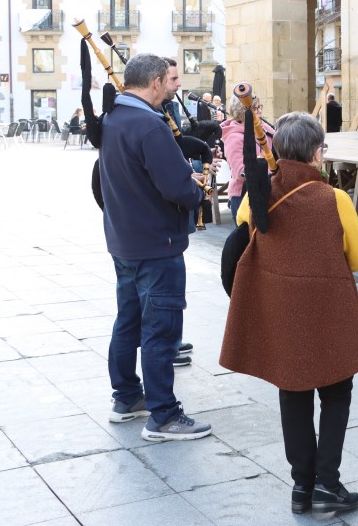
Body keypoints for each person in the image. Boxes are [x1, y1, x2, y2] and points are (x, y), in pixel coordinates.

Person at [220, 113, 358, 516]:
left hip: (283, 312)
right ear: (316, 152)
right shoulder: (334, 199)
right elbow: (356, 258)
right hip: (328, 310)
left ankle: (302, 487)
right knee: (337, 392)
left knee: (293, 391)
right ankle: (327, 483)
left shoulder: (258, 196)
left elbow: (244, 228)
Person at [99, 53, 210, 441]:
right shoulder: (149, 124)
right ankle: (162, 415)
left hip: (124, 239)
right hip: (155, 243)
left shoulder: (114, 116)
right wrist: (195, 185)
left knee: (128, 321)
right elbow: (176, 188)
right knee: (161, 329)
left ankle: (127, 397)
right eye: (168, 79)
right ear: (156, 82)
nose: (170, 86)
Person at [221, 95, 273, 220]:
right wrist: (273, 173)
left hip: (265, 191)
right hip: (243, 196)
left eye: (260, 107)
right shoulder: (234, 137)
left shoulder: (264, 129)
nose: (260, 111)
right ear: (243, 113)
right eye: (255, 108)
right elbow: (241, 172)